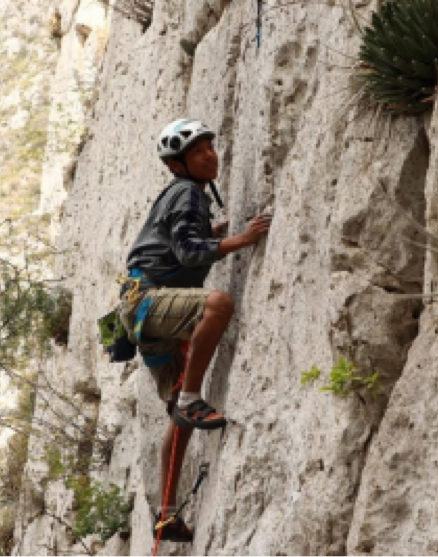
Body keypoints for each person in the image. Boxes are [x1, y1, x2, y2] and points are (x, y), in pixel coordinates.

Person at [120, 118, 272, 543]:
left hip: (144, 315)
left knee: (177, 420)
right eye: (198, 152)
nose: (210, 156)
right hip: (149, 302)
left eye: (210, 147)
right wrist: (240, 240)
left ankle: (167, 516)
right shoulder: (187, 193)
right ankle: (192, 397)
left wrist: (211, 234)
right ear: (178, 165)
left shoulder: (184, 194)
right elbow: (187, 252)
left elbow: (177, 242)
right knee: (218, 304)